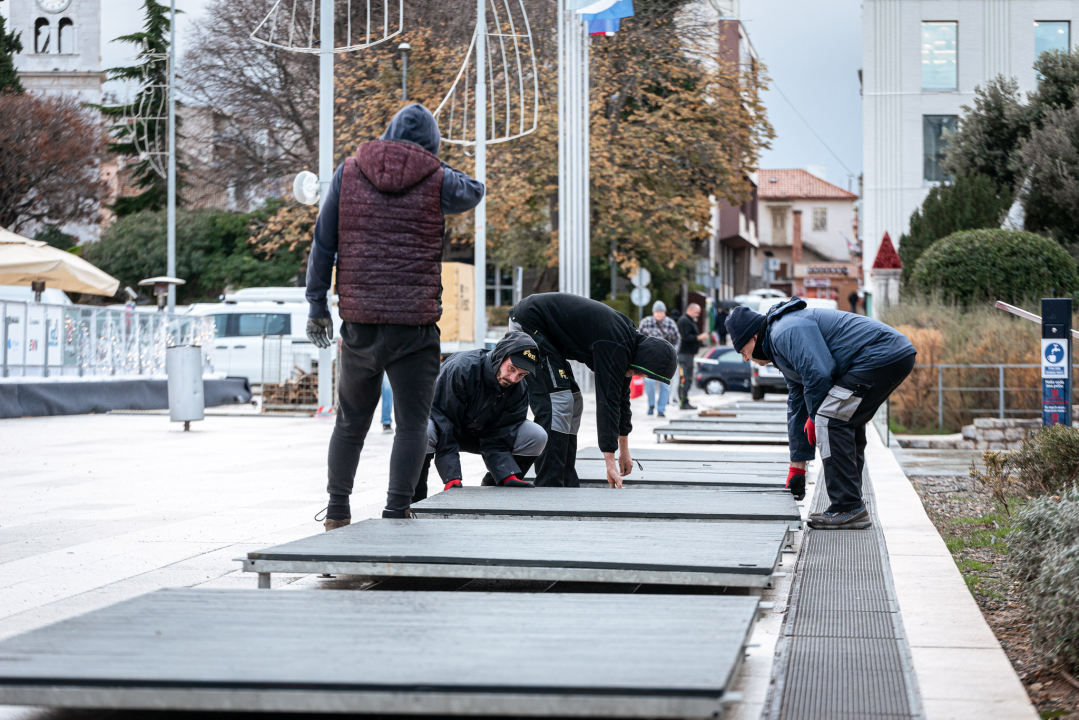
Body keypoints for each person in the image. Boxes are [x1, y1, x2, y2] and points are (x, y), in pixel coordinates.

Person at [306, 104, 485, 530]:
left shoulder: (347, 172)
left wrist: (317, 305)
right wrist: (431, 161)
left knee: (350, 423)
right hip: (415, 326)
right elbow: (475, 190)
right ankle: (396, 509)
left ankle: (336, 512)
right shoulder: (438, 177)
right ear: (432, 146)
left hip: (360, 322)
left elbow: (323, 242)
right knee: (411, 425)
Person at [726, 298, 916, 530]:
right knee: (842, 419)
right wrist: (798, 466)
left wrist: (816, 418)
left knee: (830, 418)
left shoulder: (784, 332)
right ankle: (850, 503)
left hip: (880, 354)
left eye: (742, 351)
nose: (745, 358)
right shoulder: (779, 345)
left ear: (754, 338)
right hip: (890, 355)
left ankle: (847, 507)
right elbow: (797, 404)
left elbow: (819, 374)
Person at [508, 293, 677, 489]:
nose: (639, 375)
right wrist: (610, 462)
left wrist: (624, 451)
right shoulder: (616, 346)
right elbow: (607, 402)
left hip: (548, 334)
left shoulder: (628, 346)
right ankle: (550, 483)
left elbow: (621, 400)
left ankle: (566, 480)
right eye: (642, 372)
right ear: (644, 360)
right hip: (530, 323)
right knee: (558, 401)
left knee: (574, 400)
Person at [411, 332, 547, 500]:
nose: (513, 378)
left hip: (481, 434)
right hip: (444, 429)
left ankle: (496, 485)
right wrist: (452, 477)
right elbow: (444, 421)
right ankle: (414, 498)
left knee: (537, 436)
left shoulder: (519, 388)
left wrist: (507, 474)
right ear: (500, 355)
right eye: (511, 368)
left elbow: (504, 431)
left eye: (522, 374)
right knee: (423, 431)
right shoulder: (462, 369)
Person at [638, 300, 679, 416]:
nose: (659, 314)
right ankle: (651, 404)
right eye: (657, 312)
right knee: (649, 382)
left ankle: (661, 409)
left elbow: (677, 339)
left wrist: (673, 352)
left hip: (665, 359)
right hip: (649, 358)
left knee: (665, 384)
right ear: (653, 312)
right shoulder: (645, 322)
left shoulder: (670, 323)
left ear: (665, 313)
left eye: (661, 312)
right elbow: (638, 337)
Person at [676, 303, 708, 410]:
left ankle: (685, 400)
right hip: (685, 354)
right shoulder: (684, 320)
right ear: (690, 310)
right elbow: (685, 336)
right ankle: (683, 401)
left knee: (687, 377)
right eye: (696, 312)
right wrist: (698, 338)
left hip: (688, 354)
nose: (698, 315)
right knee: (685, 378)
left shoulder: (688, 320)